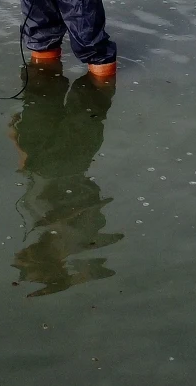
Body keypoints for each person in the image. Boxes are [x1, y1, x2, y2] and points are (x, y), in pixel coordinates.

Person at [8, 65, 120, 297]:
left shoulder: (40, 229)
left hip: (43, 156)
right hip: (71, 155)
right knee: (85, 93)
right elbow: (89, 201)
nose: (21, 256)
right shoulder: (80, 238)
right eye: (26, 262)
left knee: (41, 91)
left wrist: (18, 141)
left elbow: (31, 179)